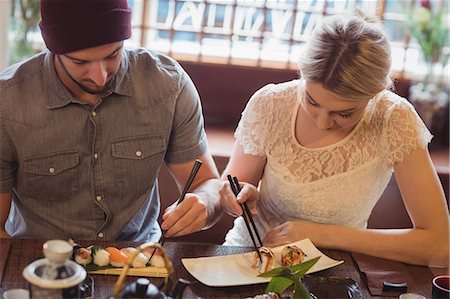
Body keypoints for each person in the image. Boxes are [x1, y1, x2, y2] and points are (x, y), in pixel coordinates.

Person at [220, 12, 449, 267]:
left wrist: (322, 235)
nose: (323, 122)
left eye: (344, 113)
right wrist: (235, 194)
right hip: (247, 257)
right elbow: (234, 185)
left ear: (374, 94)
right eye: (312, 101)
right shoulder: (270, 104)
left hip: (335, 271)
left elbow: (439, 246)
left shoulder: (394, 118)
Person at [0, 0, 222, 242]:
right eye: (80, 62)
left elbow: (206, 182)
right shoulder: (8, 101)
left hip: (138, 260)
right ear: (53, 48)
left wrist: (206, 202)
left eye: (112, 54)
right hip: (40, 263)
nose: (100, 77)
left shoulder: (168, 85)